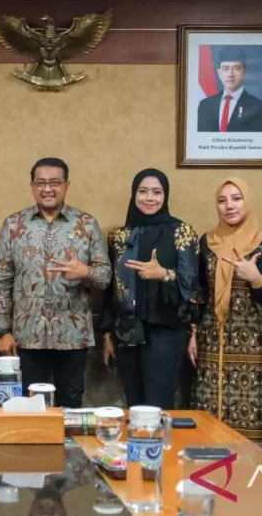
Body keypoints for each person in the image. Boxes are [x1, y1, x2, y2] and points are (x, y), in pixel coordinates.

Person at [0, 158, 111, 408]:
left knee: (71, 403)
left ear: (66, 185)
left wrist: (86, 272)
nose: (48, 189)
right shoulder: (13, 225)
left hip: (73, 336)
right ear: (32, 186)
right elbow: (1, 280)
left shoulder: (87, 224)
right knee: (28, 405)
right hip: (26, 336)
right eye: (41, 183)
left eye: (55, 182)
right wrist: (3, 331)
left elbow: (105, 277)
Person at [188, 177, 262, 445]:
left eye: (236, 198)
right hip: (212, 342)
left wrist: (256, 279)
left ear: (247, 202)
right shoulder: (206, 243)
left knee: (252, 413)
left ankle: (252, 469)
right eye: (222, 200)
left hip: (254, 344)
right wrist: (193, 333)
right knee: (210, 413)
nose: (229, 206)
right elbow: (200, 293)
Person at [101, 169, 199, 409]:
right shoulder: (119, 236)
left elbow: (192, 284)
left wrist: (163, 274)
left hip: (166, 331)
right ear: (134, 194)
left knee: (158, 404)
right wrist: (107, 335)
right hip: (126, 332)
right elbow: (110, 290)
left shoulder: (181, 231)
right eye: (143, 191)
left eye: (157, 192)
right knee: (133, 404)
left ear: (165, 196)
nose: (149, 198)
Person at [197, 46, 262, 133]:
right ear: (219, 73)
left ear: (244, 72)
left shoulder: (260, 108)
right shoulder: (205, 105)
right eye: (225, 68)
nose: (230, 74)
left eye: (236, 68)